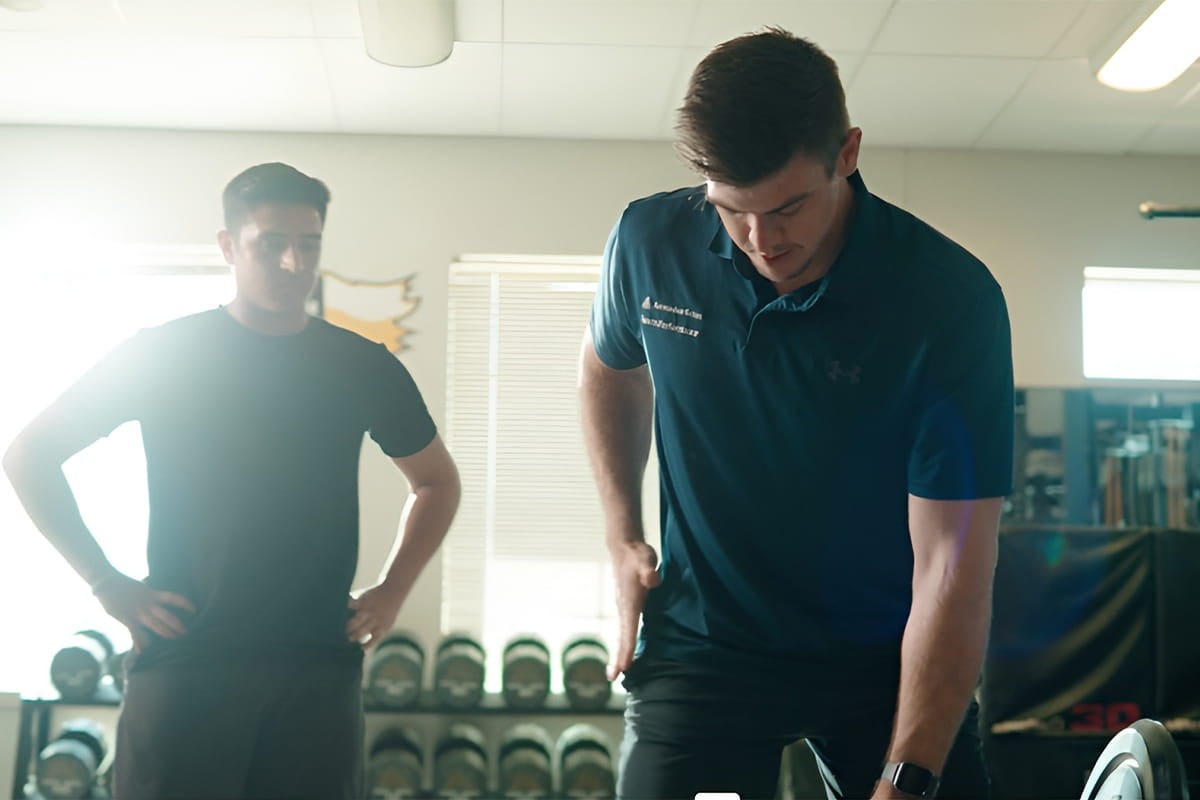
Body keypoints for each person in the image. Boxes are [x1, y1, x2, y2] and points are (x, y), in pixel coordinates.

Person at [579, 27, 1014, 800]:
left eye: (786, 208)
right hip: (706, 642)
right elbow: (608, 368)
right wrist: (621, 536)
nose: (760, 240)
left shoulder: (946, 303)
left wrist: (906, 778)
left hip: (883, 656)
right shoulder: (649, 242)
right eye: (732, 211)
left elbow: (952, 565)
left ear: (846, 154)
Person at [3, 162, 461, 800]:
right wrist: (106, 582)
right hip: (185, 662)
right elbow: (28, 453)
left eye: (309, 244)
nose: (293, 262)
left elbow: (437, 482)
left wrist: (392, 590)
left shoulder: (360, 366)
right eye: (271, 243)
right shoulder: (161, 353)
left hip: (315, 670)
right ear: (229, 246)